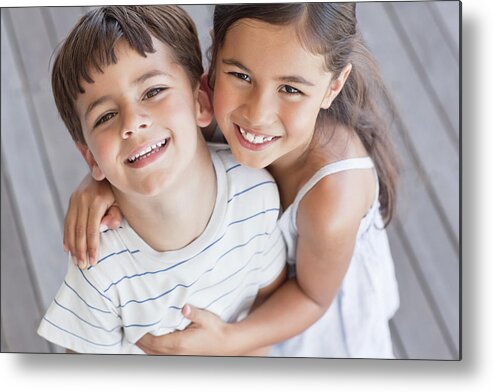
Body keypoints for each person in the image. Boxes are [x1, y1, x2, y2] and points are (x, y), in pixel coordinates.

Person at [64, 3, 400, 358]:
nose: (257, 113)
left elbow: (312, 297)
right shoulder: (213, 108)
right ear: (216, 56)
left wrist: (228, 342)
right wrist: (98, 181)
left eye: (290, 89)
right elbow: (148, 143)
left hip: (306, 321)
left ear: (333, 86)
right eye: (241, 76)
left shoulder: (333, 197)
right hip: (242, 293)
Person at [37, 5, 286, 354]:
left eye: (153, 92)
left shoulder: (257, 196)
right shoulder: (98, 267)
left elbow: (266, 307)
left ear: (201, 100)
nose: (132, 122)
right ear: (90, 156)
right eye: (106, 115)